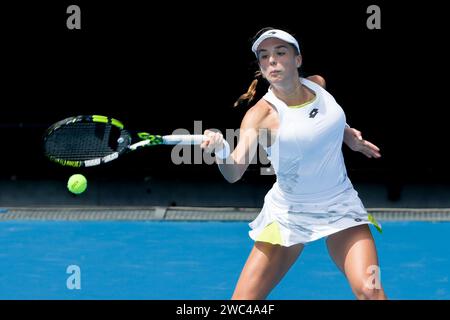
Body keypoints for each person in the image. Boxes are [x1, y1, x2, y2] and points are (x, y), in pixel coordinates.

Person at [200, 27, 386, 300]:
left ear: (297, 60)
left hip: (341, 206)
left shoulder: (317, 84)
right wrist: (220, 151)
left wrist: (346, 134)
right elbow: (234, 171)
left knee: (371, 292)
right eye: (264, 56)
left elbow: (323, 118)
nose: (271, 60)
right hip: (289, 214)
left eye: (280, 52)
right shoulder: (261, 115)